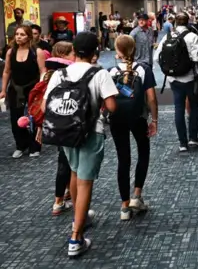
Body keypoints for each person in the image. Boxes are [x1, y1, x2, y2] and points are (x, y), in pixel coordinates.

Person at [43, 32, 119, 257]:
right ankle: (76, 237)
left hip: (65, 133)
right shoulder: (99, 73)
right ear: (96, 52)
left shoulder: (60, 73)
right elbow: (112, 106)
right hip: (89, 132)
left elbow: (46, 104)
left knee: (75, 174)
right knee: (85, 182)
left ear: (74, 51)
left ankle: (80, 218)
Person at [109, 35, 158, 220]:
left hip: (117, 118)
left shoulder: (110, 71)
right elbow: (152, 98)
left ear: (117, 51)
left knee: (123, 159)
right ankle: (137, 195)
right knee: (143, 152)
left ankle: (124, 207)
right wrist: (154, 120)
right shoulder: (143, 69)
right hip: (138, 117)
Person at [31, 41, 76, 215]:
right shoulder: (64, 74)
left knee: (64, 160)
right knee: (68, 163)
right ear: (64, 55)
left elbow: (43, 107)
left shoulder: (48, 75)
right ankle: (61, 199)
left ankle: (64, 196)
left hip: (55, 123)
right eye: (72, 52)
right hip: (68, 122)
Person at [154, 13, 198, 152]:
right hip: (189, 78)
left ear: (175, 22)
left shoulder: (167, 37)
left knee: (178, 108)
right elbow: (195, 58)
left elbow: (156, 58)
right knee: (194, 106)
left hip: (173, 79)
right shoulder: (192, 36)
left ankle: (182, 143)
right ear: (188, 22)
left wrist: (169, 69)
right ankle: (193, 137)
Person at [0, 25, 46, 158]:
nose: (19, 37)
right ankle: (21, 144)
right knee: (15, 118)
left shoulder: (37, 52)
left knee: (34, 118)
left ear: (29, 37)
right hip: (15, 88)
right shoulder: (11, 52)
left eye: (22, 34)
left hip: (33, 88)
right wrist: (3, 90)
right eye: (17, 34)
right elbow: (7, 71)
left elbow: (42, 70)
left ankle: (35, 146)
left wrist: (42, 87)